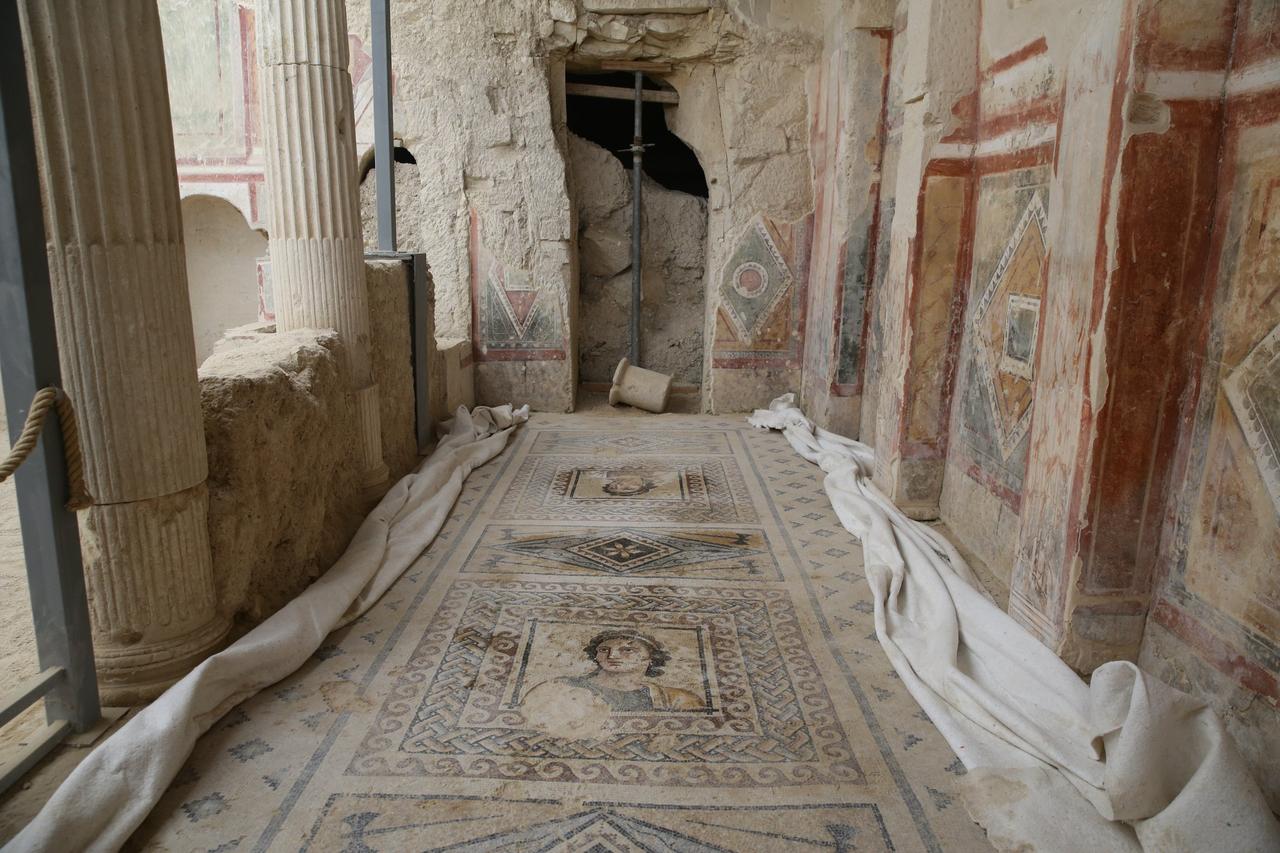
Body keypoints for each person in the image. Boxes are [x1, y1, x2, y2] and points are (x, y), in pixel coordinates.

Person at [522, 630, 705, 715]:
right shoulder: (558, 687)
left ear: (651, 658)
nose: (612, 655)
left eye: (627, 650)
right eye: (604, 650)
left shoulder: (677, 698)